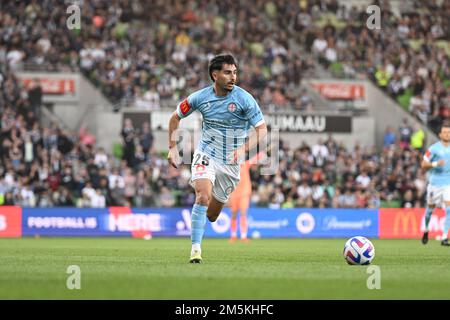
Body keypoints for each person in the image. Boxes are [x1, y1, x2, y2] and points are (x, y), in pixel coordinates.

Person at [167, 54, 267, 263]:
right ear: (215, 75)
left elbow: (262, 130)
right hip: (206, 154)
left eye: (235, 72)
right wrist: (172, 148)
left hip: (231, 163)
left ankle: (206, 215)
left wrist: (243, 150)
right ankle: (196, 250)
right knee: (202, 196)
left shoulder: (244, 99)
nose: (233, 77)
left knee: (212, 215)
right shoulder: (200, 97)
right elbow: (175, 117)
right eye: (228, 72)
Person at [421, 122, 450, 246]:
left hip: (447, 184)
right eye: (445, 132)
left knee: (449, 209)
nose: (447, 134)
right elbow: (423, 165)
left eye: (449, 132)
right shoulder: (434, 149)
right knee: (429, 212)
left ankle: (444, 237)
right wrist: (436, 164)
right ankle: (426, 229)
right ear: (440, 134)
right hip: (434, 184)